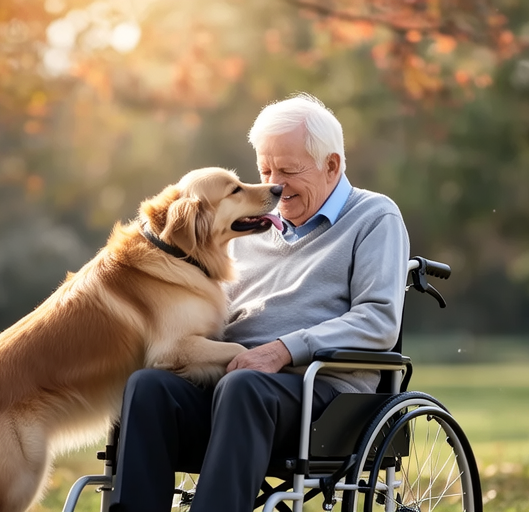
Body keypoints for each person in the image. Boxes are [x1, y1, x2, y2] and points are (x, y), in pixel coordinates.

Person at [109, 93, 410, 512]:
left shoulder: (375, 217)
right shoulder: (250, 225)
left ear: (332, 166)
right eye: (265, 169)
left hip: (320, 395)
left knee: (244, 385)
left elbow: (378, 321)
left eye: (287, 170)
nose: (274, 185)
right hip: (233, 382)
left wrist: (283, 350)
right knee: (149, 387)